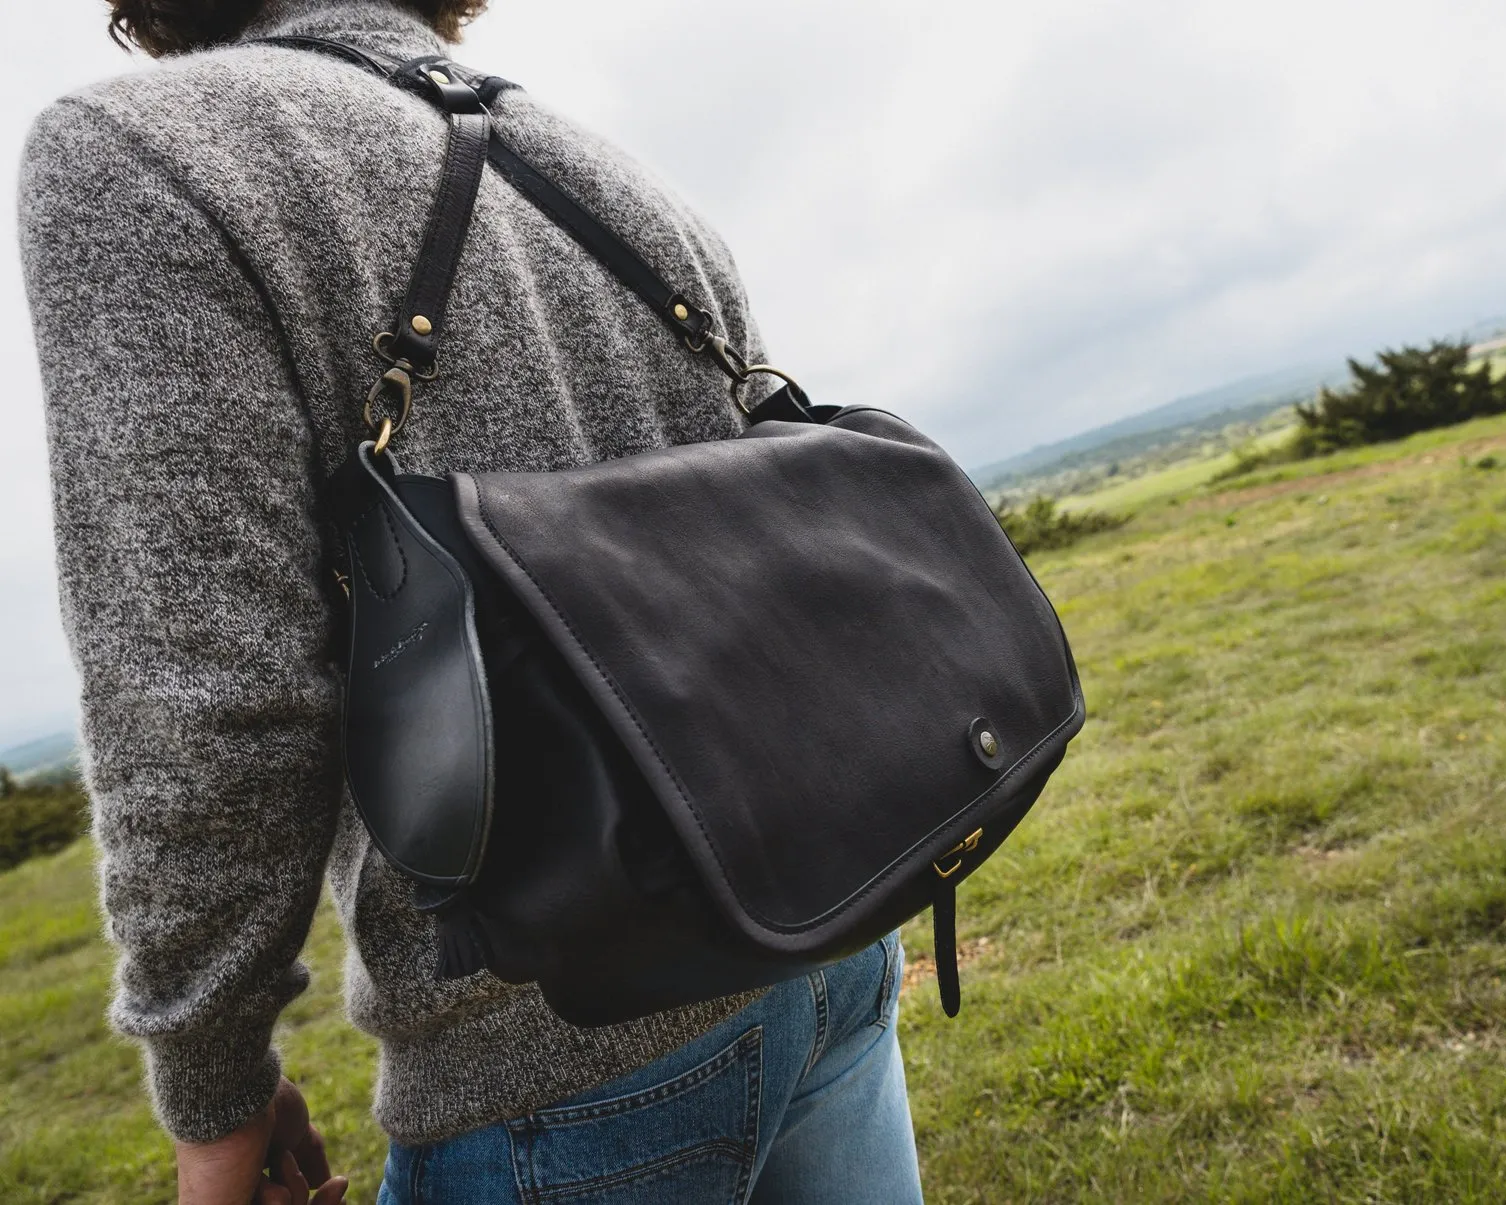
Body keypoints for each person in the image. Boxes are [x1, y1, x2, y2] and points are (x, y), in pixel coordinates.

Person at [18, 1, 924, 1201]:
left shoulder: (135, 151)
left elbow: (202, 699)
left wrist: (213, 1101)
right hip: (821, 947)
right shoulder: (597, 161)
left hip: (554, 1060)